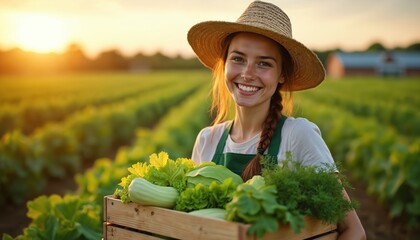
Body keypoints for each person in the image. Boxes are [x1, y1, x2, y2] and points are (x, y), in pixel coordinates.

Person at [188, 1, 365, 239]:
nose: (247, 73)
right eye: (238, 59)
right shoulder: (207, 140)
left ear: (282, 74)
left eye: (263, 63)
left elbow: (354, 231)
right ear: (225, 64)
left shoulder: (299, 136)